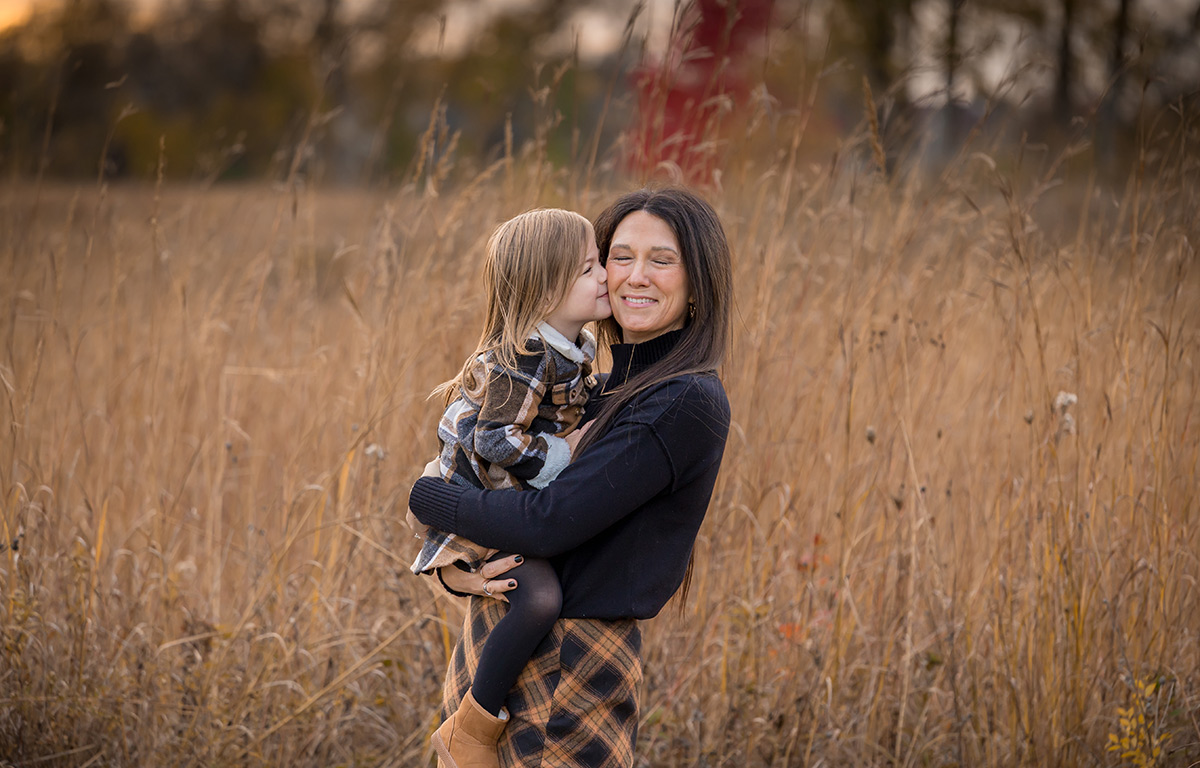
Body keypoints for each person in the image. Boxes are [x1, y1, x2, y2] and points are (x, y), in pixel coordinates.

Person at [408, 187, 733, 768]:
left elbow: (548, 525)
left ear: (697, 284)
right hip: (498, 638)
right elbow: (492, 476)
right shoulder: (595, 387)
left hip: (571, 664)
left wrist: (428, 496)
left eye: (661, 260)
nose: (633, 276)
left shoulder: (683, 400)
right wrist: (461, 574)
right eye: (619, 255)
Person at [406, 208, 612, 768]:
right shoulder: (521, 358)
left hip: (508, 503)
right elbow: (496, 440)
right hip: (480, 499)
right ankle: (470, 730)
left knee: (539, 589)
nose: (605, 278)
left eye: (598, 264)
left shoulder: (575, 346)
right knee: (540, 598)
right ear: (546, 290)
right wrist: (566, 454)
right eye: (589, 269)